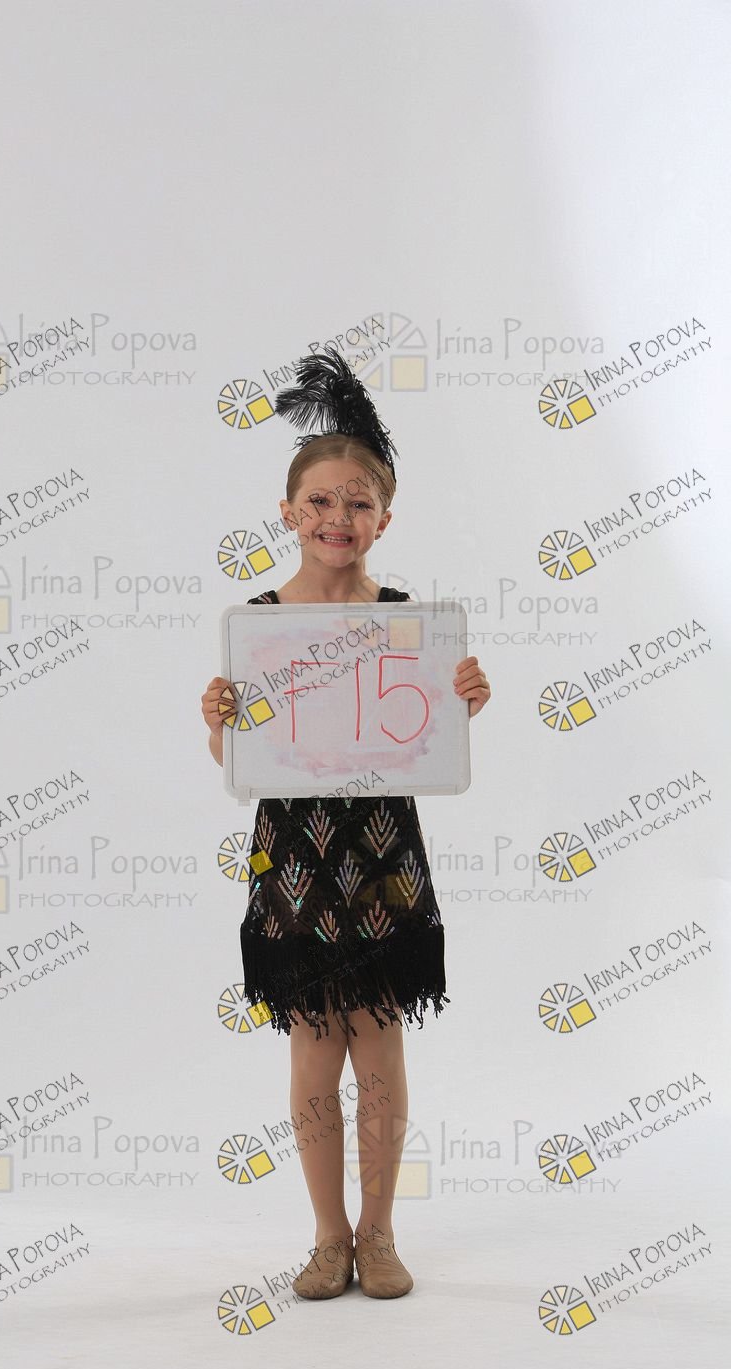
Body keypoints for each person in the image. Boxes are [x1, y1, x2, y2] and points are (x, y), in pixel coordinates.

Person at [201, 350, 491, 1303]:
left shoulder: (410, 624)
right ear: (289, 513)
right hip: (294, 863)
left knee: (381, 1046)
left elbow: (429, 742)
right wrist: (219, 724)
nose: (338, 517)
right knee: (314, 1051)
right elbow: (243, 764)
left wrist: (462, 700)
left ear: (384, 519)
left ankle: (380, 1230)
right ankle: (328, 1236)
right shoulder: (259, 624)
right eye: (320, 501)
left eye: (358, 503)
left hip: (383, 861)